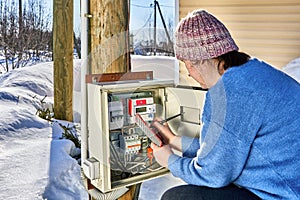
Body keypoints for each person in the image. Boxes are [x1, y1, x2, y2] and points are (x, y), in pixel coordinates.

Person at [150, 9, 300, 200]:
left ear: (200, 60)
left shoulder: (228, 94)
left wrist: (168, 160)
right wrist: (173, 140)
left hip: (282, 194)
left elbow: (212, 174)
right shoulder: (254, 72)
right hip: (284, 182)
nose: (189, 74)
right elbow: (222, 147)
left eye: (187, 64)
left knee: (176, 197)